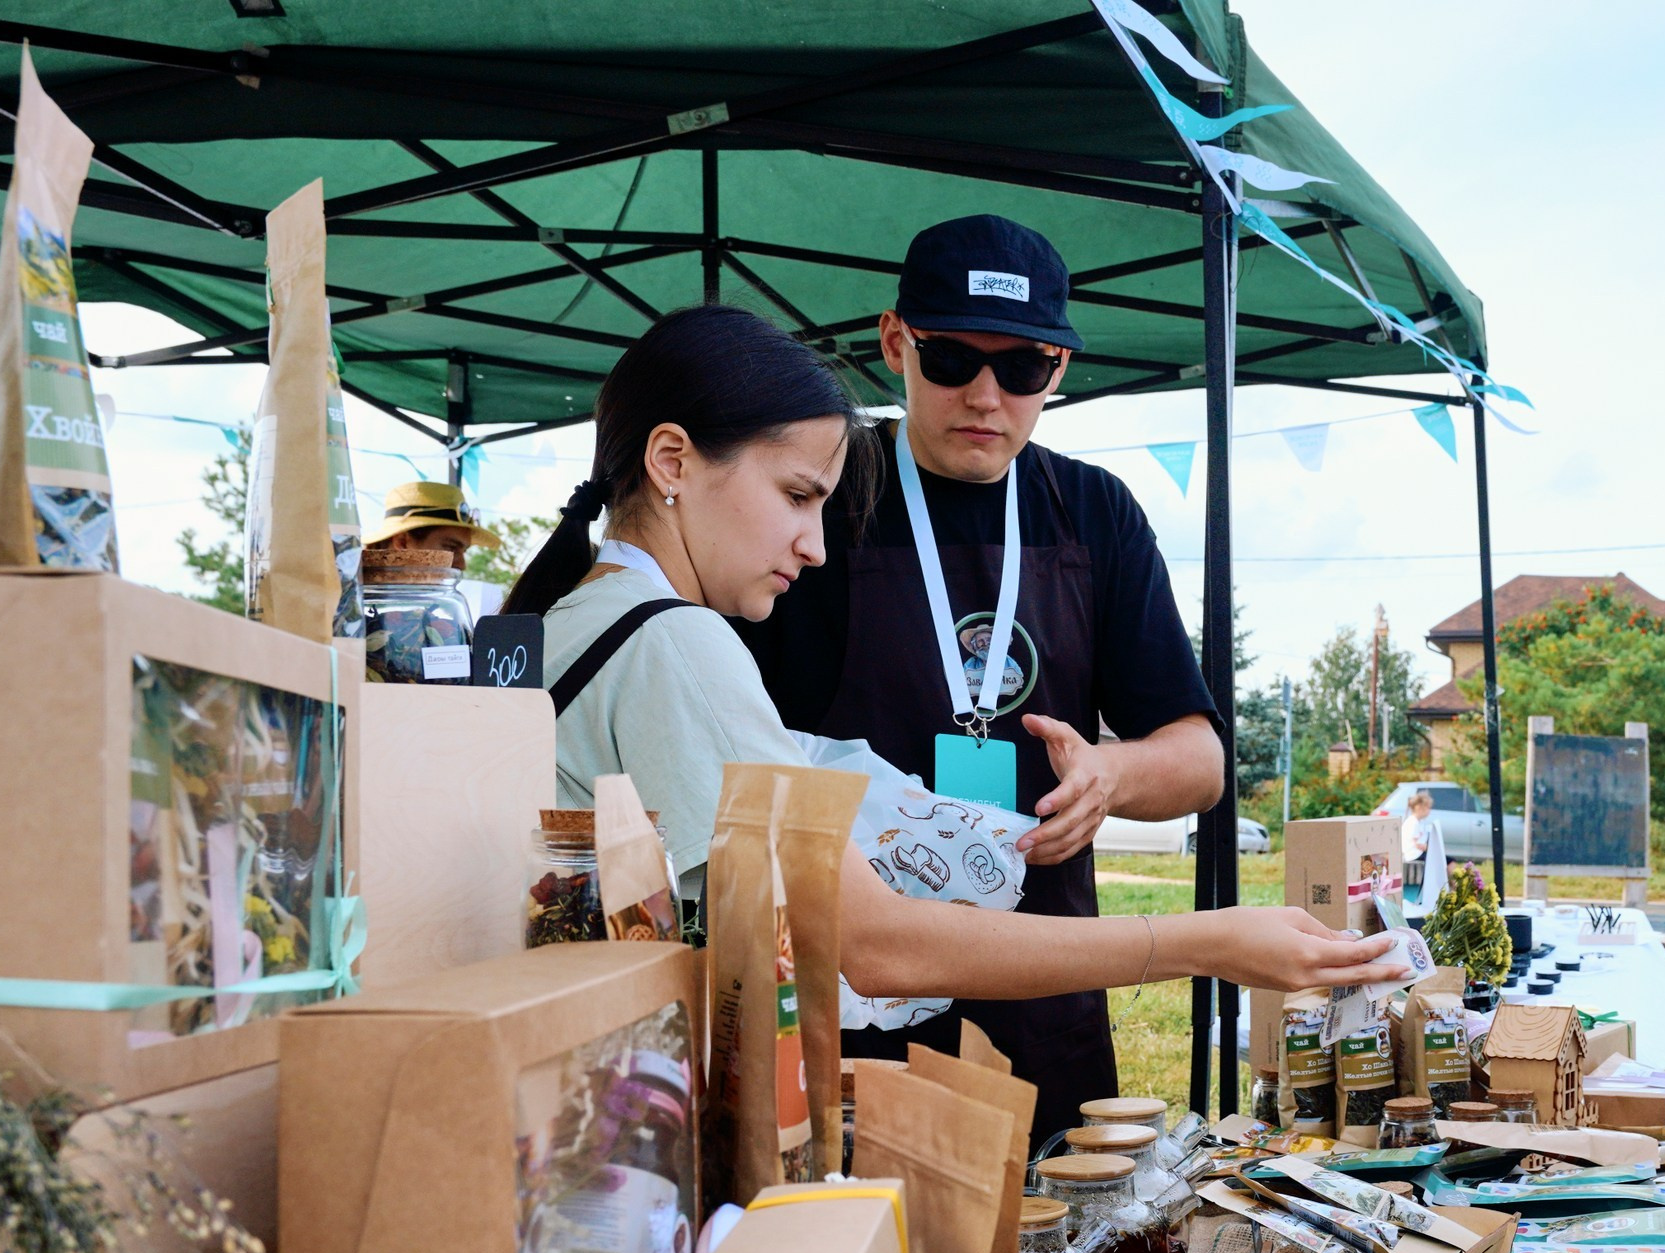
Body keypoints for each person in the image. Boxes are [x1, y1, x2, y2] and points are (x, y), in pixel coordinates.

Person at [497, 303, 1400, 1021]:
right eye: (798, 496)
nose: (814, 546)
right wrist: (1206, 942)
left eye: (1023, 368)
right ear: (672, 461)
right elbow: (877, 944)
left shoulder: (569, 620)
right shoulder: (678, 643)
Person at [738, 215, 1225, 1138]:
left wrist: (1110, 776)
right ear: (895, 344)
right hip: (855, 997)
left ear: (1059, 368)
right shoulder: (823, 497)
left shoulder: (1094, 513)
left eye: (1022, 369)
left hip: (1046, 991)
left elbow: (1200, 759)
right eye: (952, 358)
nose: (986, 395)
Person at [365, 478, 493, 570]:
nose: (462, 565)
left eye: (464, 551)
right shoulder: (350, 600)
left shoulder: (441, 603)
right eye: (451, 548)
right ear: (402, 542)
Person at [1401, 789, 1448, 908]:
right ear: (1420, 807)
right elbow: (1416, 844)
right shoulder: (1412, 823)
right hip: (1413, 854)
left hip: (1419, 852)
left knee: (1446, 860)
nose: (1429, 811)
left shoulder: (1419, 822)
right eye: (1428, 807)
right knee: (1445, 861)